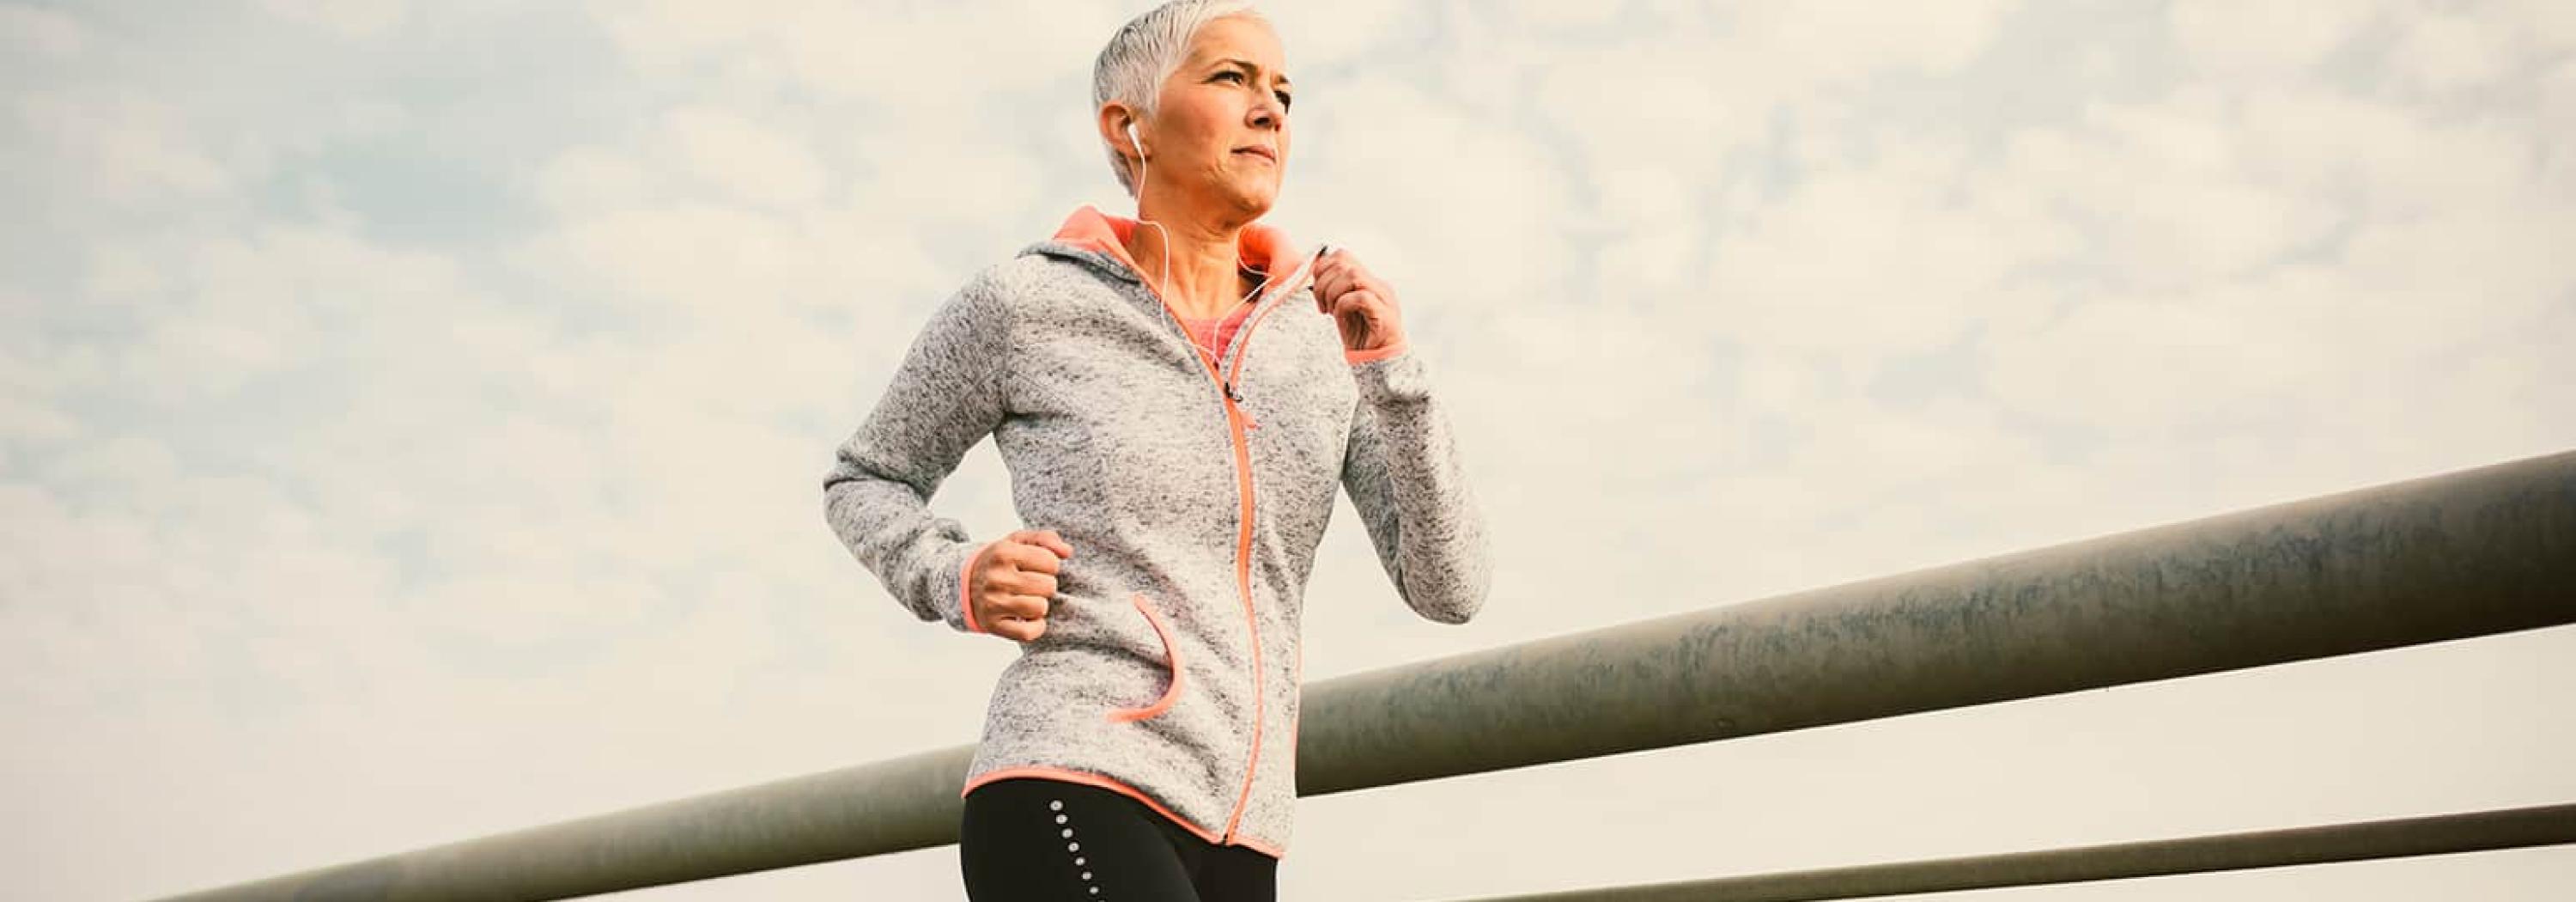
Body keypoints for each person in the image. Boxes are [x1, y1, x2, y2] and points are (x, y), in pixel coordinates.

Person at [820, 2, 1491, 898]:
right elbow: (866, 477)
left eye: (1283, 92)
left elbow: (1450, 589)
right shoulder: (1028, 304)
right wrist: (954, 573)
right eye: (1231, 79)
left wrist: (1389, 370)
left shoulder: (1321, 341)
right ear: (1127, 126)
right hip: (1071, 773)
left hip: (1245, 829)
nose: (1272, 111)